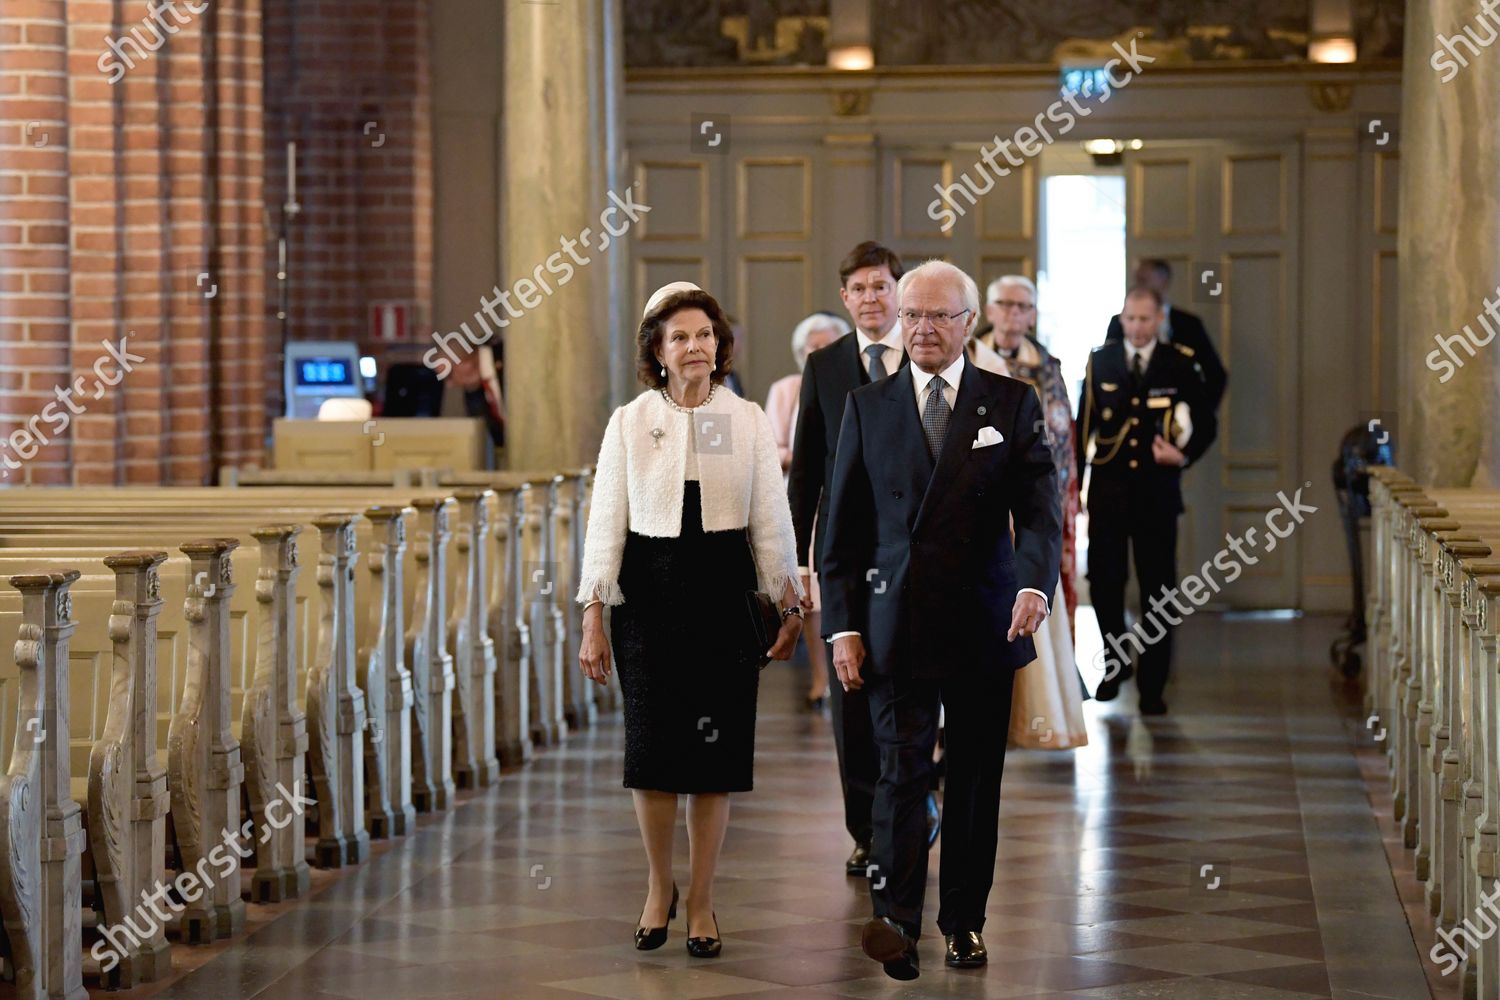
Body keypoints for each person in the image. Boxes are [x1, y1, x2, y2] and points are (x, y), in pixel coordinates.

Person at [821, 259, 1061, 980]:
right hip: (894, 620)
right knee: (899, 773)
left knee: (976, 781)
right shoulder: (869, 405)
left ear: (968, 324)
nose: (922, 328)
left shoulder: (1011, 404)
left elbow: (1043, 514)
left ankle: (964, 923)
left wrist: (1034, 587)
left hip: (988, 620)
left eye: (938, 316)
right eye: (912, 315)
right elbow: (841, 533)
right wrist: (843, 627)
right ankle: (897, 920)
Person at [575, 281, 805, 959]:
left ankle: (701, 900)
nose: (694, 346)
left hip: (725, 601)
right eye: (679, 336)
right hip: (647, 603)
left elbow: (772, 522)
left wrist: (789, 604)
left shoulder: (748, 419)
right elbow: (603, 526)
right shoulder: (628, 420)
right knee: (651, 758)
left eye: (704, 333)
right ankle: (658, 885)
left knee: (713, 761)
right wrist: (593, 616)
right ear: (658, 349)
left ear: (719, 343)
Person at [786, 241, 914, 881]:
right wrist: (792, 560)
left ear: (899, 290)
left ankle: (910, 809)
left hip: (910, 550)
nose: (870, 298)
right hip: (843, 552)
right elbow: (807, 468)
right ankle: (864, 830)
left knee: (910, 683)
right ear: (845, 298)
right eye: (858, 289)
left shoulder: (923, 354)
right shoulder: (826, 365)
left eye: (880, 286)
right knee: (850, 690)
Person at [1078, 286, 1217, 715]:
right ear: (1122, 320)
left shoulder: (1179, 362)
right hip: (1108, 493)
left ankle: (1153, 685)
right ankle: (1116, 666)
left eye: (1144, 319)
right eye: (1130, 319)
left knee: (1159, 592)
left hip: (1156, 496)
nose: (1136, 328)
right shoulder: (1101, 360)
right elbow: (1083, 426)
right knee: (1105, 584)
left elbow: (1207, 423)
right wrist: (1074, 490)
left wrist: (1184, 456)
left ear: (1159, 319)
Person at [981, 275, 1080, 631]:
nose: (1013, 314)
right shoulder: (971, 354)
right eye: (1005, 304)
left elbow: (1063, 434)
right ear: (990, 310)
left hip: (1033, 482)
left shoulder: (1047, 366)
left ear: (1033, 315)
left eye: (1023, 306)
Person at [765, 311, 851, 711]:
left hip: (845, 497)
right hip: (804, 500)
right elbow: (771, 448)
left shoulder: (856, 382)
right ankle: (821, 680)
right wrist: (807, 456)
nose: (820, 352)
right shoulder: (787, 389)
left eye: (828, 344)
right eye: (813, 346)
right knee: (812, 593)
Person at [1104, 258, 1228, 409]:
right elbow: (1108, 368)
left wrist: (1199, 415)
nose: (1140, 284)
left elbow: (1215, 374)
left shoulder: (1189, 324)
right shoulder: (1118, 323)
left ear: (1164, 281)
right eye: (1138, 279)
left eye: (1146, 279)